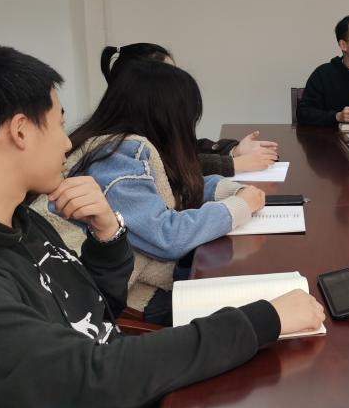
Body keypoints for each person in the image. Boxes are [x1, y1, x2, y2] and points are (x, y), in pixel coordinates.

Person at [0, 46, 325, 408]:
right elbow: (90, 375)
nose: (67, 141)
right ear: (20, 131)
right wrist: (261, 320)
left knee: (301, 405)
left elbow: (96, 316)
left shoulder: (19, 220)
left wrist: (107, 235)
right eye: (58, 123)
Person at [35, 60, 263, 325]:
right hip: (130, 299)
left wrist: (230, 191)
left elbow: (178, 189)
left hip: (125, 286)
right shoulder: (119, 156)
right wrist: (238, 207)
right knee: (250, 307)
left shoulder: (121, 145)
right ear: (168, 116)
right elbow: (167, 237)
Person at [101, 43, 278, 176]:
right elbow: (168, 167)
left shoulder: (149, 120)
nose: (177, 81)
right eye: (169, 76)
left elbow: (187, 149)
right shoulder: (123, 146)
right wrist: (235, 164)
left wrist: (234, 151)